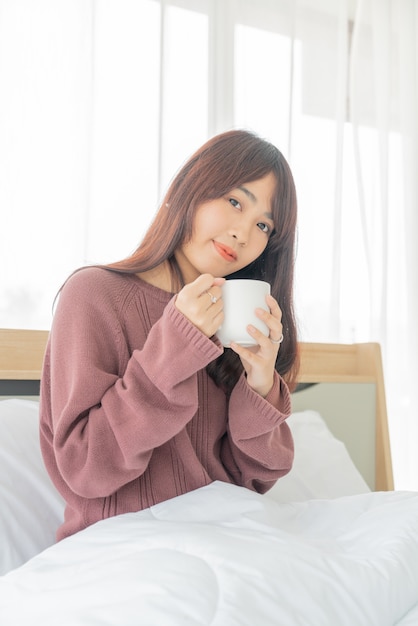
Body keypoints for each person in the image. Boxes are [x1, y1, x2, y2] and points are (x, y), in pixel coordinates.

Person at [39, 129, 300, 541]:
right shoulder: (93, 294)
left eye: (263, 225)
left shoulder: (232, 319)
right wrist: (175, 347)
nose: (243, 234)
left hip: (225, 539)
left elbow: (250, 481)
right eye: (235, 202)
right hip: (122, 547)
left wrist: (261, 385)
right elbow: (85, 468)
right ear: (191, 188)